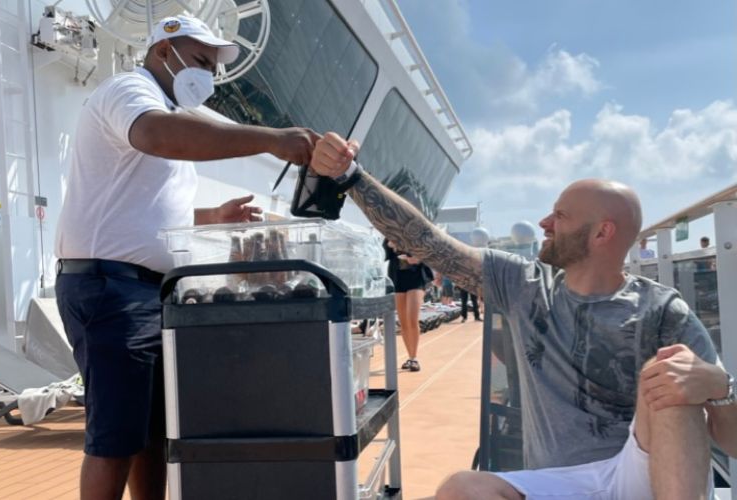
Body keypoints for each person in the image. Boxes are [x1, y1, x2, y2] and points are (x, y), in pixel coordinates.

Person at [309, 132, 737, 500]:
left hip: (641, 471)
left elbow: (731, 442)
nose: (544, 222)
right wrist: (351, 177)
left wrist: (720, 388)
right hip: (555, 482)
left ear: (603, 233)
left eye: (561, 215)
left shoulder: (661, 309)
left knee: (670, 375)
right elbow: (427, 242)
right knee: (460, 488)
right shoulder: (524, 284)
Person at [53, 16, 319, 500]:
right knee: (114, 437)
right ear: (163, 52)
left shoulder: (166, 110)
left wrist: (212, 215)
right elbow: (156, 134)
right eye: (200, 62)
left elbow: (146, 208)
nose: (208, 78)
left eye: (213, 69)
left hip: (146, 290)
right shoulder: (129, 92)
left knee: (152, 433)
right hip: (110, 288)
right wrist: (269, 138)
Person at [384, 238, 433, 372]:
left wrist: (418, 259)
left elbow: (429, 252)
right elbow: (386, 255)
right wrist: (391, 245)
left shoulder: (414, 232)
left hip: (416, 277)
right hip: (397, 277)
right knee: (403, 322)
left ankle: (414, 357)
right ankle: (410, 357)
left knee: (412, 319)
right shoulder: (390, 233)